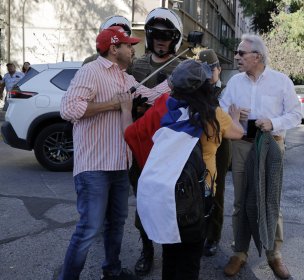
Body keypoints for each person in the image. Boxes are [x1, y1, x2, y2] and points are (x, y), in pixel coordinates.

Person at [58, 26, 170, 280]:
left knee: (116, 224)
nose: (133, 50)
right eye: (128, 45)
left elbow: (150, 96)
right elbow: (69, 109)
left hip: (120, 164)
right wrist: (114, 104)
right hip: (94, 167)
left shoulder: (125, 77)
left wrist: (172, 82)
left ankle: (112, 270)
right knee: (89, 228)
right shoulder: (91, 71)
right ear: (113, 48)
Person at [124, 59, 244, 280]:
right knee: (190, 263)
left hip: (168, 193)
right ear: (205, 86)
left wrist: (125, 110)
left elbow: (131, 134)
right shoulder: (213, 114)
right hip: (200, 192)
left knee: (170, 255)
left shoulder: (162, 106)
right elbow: (237, 133)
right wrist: (235, 117)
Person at [220, 34, 301, 279]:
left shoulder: (281, 81)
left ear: (257, 56)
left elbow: (296, 114)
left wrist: (273, 122)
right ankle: (240, 252)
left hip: (271, 146)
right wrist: (233, 117)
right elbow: (221, 108)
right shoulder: (234, 82)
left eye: (241, 53)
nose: (236, 57)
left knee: (270, 200)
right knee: (240, 202)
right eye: (237, 53)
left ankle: (274, 254)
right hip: (242, 145)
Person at [128, 7, 183, 276]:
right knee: (144, 200)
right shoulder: (135, 66)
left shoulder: (182, 67)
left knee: (173, 200)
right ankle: (147, 250)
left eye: (167, 35)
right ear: (149, 36)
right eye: (156, 34)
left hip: (172, 146)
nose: (161, 39)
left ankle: (173, 251)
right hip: (142, 145)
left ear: (175, 38)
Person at [198, 49, 231, 256]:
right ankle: (199, 231)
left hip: (222, 142)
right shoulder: (197, 89)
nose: (209, 74)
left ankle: (213, 236)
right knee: (199, 189)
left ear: (219, 69)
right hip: (201, 142)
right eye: (204, 70)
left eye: (212, 69)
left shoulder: (226, 91)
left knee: (217, 190)